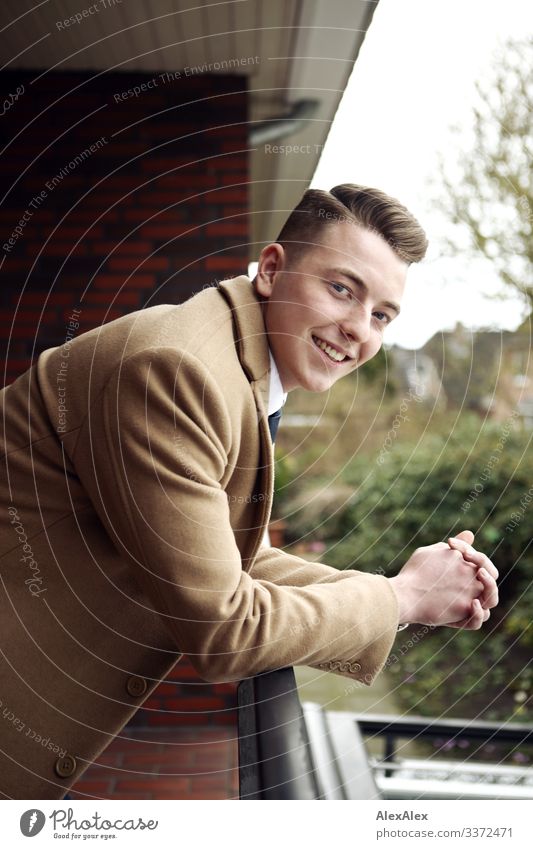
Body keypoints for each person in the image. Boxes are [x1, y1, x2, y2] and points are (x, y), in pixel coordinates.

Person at [0, 184, 498, 799]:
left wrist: (407, 588)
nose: (357, 330)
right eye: (341, 288)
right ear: (270, 271)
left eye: (381, 315)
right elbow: (223, 628)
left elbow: (233, 555)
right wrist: (399, 599)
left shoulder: (237, 366)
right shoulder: (176, 372)